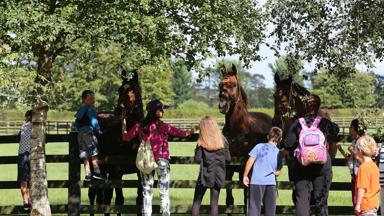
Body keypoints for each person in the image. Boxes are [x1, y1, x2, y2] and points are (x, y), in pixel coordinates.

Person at [121, 99, 196, 216]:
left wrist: (123, 124)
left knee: (146, 192)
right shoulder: (163, 126)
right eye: (161, 109)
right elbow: (184, 134)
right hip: (162, 161)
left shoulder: (139, 126)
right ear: (155, 112)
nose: (163, 111)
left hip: (146, 161)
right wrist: (195, 128)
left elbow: (126, 137)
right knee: (164, 192)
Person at [284, 93, 339, 216]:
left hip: (302, 165)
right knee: (321, 199)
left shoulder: (298, 123)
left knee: (301, 199)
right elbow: (336, 132)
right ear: (318, 107)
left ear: (305, 106)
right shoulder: (324, 122)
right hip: (322, 165)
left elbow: (287, 143)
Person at [191, 116, 230, 216]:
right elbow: (228, 159)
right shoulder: (223, 141)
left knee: (197, 202)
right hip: (219, 175)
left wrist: (196, 150)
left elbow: (197, 159)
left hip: (205, 176)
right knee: (214, 204)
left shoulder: (202, 142)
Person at [243, 127, 284, 216]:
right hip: (271, 183)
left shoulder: (259, 146)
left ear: (267, 136)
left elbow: (250, 161)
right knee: (270, 211)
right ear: (280, 139)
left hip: (256, 182)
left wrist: (245, 175)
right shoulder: (279, 153)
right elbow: (278, 172)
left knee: (254, 208)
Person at [337, 119, 365, 214]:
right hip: (355, 177)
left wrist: (352, 150)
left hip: (360, 176)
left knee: (359, 202)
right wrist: (341, 149)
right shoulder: (354, 141)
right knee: (355, 201)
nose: (349, 129)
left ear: (354, 128)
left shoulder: (362, 142)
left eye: (350, 127)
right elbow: (350, 158)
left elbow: (362, 159)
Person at [75, 90, 103, 181]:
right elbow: (94, 121)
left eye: (93, 98)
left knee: (84, 154)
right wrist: (98, 130)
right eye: (90, 98)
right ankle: (97, 172)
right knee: (93, 152)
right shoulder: (90, 109)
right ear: (84, 100)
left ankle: (88, 174)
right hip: (88, 133)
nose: (92, 100)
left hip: (80, 134)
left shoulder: (80, 110)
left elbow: (77, 122)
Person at [354, 135, 380, 216]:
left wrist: (358, 204)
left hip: (365, 206)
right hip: (373, 204)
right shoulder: (373, 165)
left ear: (360, 151)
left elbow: (362, 188)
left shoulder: (363, 167)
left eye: (356, 149)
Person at [17, 110, 32, 211]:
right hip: (32, 154)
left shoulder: (23, 126)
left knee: (23, 179)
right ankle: (31, 200)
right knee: (32, 179)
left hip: (22, 154)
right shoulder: (36, 127)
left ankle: (25, 201)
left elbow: (19, 136)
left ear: (28, 117)